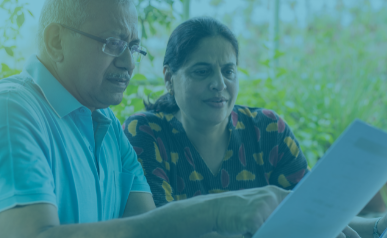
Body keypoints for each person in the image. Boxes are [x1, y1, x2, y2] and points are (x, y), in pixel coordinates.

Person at [0, 0, 294, 238]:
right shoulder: (13, 110)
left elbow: (150, 228)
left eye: (134, 48)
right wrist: (214, 211)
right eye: (114, 43)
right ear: (56, 41)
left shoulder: (106, 124)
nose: (129, 63)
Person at [123, 17, 387, 238]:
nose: (219, 84)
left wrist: (378, 226)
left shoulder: (267, 130)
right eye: (202, 72)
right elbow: (158, 228)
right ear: (169, 78)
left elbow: (313, 215)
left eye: (228, 71)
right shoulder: (147, 133)